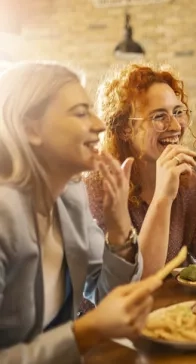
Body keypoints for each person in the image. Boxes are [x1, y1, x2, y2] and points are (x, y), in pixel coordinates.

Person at [0, 62, 162, 363]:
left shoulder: (70, 198)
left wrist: (118, 229)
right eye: (79, 112)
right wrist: (85, 332)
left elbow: (108, 296)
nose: (100, 124)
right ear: (29, 128)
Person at [85, 64, 196, 278]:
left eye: (178, 112)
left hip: (174, 304)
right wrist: (163, 196)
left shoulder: (187, 179)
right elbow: (134, 280)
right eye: (159, 116)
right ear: (125, 128)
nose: (176, 126)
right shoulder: (98, 186)